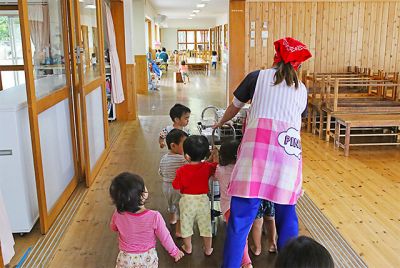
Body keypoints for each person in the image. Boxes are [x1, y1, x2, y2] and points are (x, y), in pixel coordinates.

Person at [217, 37, 312, 268]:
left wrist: (220, 122)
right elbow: (300, 118)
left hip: (255, 156)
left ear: (275, 57)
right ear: (297, 65)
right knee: (286, 215)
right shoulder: (302, 89)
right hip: (287, 156)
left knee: (240, 221)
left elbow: (234, 106)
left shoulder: (256, 77)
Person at [109, 172, 184, 268]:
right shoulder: (154, 217)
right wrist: (174, 251)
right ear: (142, 195)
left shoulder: (118, 214)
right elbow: (165, 237)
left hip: (125, 258)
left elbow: (113, 227)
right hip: (147, 258)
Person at [172, 135, 218, 256]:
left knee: (186, 225)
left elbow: (175, 186)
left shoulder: (181, 170)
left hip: (187, 201)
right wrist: (214, 156)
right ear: (205, 155)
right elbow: (215, 165)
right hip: (202, 200)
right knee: (205, 225)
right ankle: (208, 249)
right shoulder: (207, 167)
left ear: (187, 156)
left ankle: (188, 248)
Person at [214, 139, 252, 268]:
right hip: (245, 207)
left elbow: (214, 174)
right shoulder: (245, 170)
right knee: (243, 235)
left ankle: (246, 262)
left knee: (239, 237)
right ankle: (245, 261)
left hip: (228, 208)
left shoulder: (220, 170)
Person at [159, 129, 188, 237]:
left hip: (166, 186)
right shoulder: (182, 160)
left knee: (170, 203)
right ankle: (179, 231)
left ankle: (172, 219)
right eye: (184, 145)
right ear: (173, 145)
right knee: (180, 207)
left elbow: (160, 172)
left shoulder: (163, 158)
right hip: (177, 188)